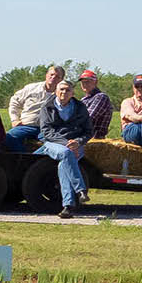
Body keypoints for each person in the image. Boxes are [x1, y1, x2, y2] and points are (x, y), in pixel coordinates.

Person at [38, 78, 92, 217]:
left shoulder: (80, 108)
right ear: (56, 91)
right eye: (61, 89)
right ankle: (81, 190)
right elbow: (46, 131)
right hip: (53, 143)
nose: (64, 92)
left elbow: (88, 131)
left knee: (64, 165)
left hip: (75, 144)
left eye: (68, 90)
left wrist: (78, 142)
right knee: (66, 153)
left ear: (73, 93)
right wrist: (66, 143)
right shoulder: (47, 107)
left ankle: (67, 206)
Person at [2, 64, 66, 152]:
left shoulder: (63, 93)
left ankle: (35, 159)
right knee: (9, 137)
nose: (53, 77)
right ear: (46, 75)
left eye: (57, 76)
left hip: (49, 128)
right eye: (51, 75)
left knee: (56, 143)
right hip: (26, 125)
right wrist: (14, 119)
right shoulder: (31, 88)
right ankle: (24, 159)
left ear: (61, 80)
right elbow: (14, 101)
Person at [77, 69, 114, 141]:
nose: (84, 84)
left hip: (94, 137)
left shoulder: (101, 97)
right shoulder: (83, 99)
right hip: (81, 135)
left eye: (88, 82)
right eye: (82, 82)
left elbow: (88, 117)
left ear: (95, 82)